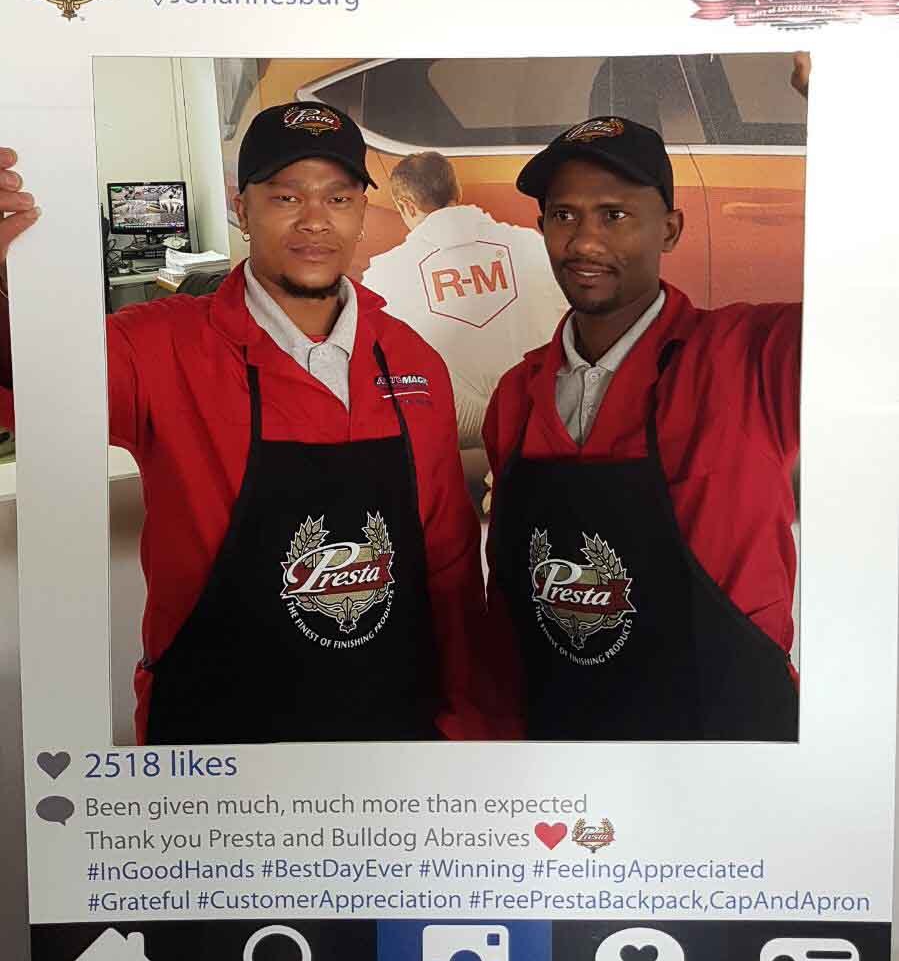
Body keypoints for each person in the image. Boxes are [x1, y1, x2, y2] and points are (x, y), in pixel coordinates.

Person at [0, 104, 514, 756]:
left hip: (391, 735)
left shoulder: (410, 360)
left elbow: (448, 564)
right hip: (219, 743)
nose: (314, 219)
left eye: (337, 197)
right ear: (243, 209)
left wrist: (469, 730)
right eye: (286, 196)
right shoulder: (156, 348)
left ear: (361, 213)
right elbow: (30, 383)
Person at [484, 112, 801, 743]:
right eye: (564, 215)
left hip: (729, 749)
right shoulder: (516, 395)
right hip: (563, 755)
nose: (584, 242)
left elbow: (874, 309)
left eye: (615, 215)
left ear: (671, 229)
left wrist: (845, 99)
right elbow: (506, 618)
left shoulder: (749, 356)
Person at [363, 150, 567, 448]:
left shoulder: (382, 275)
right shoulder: (532, 244)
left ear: (406, 205)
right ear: (457, 191)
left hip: (457, 434)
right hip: (542, 413)